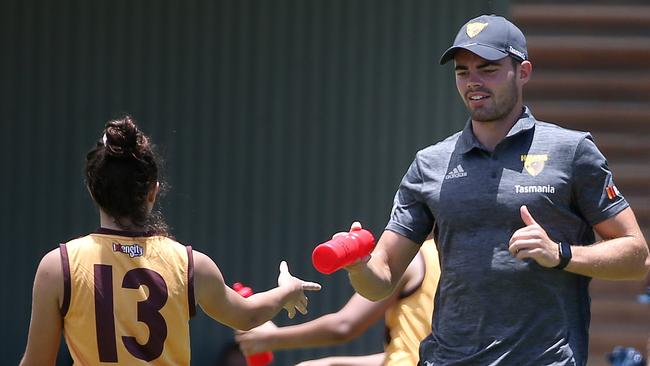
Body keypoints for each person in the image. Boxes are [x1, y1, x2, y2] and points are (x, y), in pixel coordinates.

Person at [340, 14, 649, 365]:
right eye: (463, 72)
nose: (473, 82)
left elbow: (637, 256)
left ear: (523, 72)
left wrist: (561, 254)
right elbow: (382, 280)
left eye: (488, 69)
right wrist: (359, 267)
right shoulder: (430, 163)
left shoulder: (572, 151)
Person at [20, 115, 321, 366]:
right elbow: (247, 315)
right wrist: (286, 291)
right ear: (153, 192)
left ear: (92, 189)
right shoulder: (190, 264)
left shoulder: (57, 267)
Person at [236, 235, 440, 366]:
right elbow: (412, 354)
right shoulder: (464, 268)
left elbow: (344, 325)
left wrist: (270, 338)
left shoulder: (414, 260)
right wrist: (331, 364)